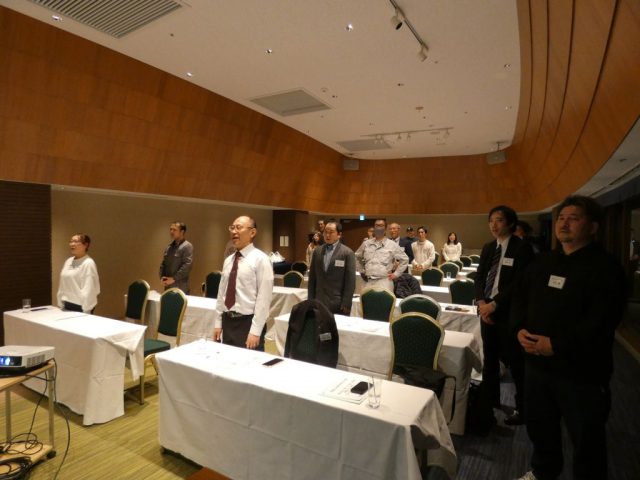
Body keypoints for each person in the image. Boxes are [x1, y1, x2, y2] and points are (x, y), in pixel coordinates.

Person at [514, 196, 626, 480]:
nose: (564, 223)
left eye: (573, 218)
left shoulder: (606, 268)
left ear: (593, 227)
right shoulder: (544, 261)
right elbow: (521, 298)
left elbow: (603, 321)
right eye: (561, 218)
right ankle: (543, 472)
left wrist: (556, 345)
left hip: (581, 371)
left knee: (586, 438)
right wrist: (519, 328)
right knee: (540, 428)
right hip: (537, 366)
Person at [474, 205, 534, 426]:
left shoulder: (522, 248)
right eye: (491, 220)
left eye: (499, 220)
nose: (493, 225)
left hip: (509, 313)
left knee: (516, 363)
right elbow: (479, 277)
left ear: (510, 223)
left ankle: (523, 408)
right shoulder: (489, 247)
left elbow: (519, 283)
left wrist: (495, 304)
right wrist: (482, 303)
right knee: (489, 360)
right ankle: (491, 402)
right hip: (487, 311)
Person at [214, 216, 273, 350]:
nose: (234, 231)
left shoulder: (261, 259)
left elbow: (264, 298)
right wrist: (218, 322)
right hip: (228, 320)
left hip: (247, 323)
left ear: (252, 232)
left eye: (239, 227)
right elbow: (221, 294)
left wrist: (255, 331)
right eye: (232, 228)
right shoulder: (228, 260)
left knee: (249, 362)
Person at [307, 221, 356, 314]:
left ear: (339, 235)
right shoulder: (317, 251)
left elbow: (350, 281)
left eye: (331, 232)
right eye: (325, 232)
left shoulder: (347, 253)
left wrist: (346, 303)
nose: (327, 235)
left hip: (338, 303)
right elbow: (312, 278)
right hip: (318, 301)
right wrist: (310, 300)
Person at [355, 219, 408, 291]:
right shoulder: (366, 243)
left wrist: (396, 274)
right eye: (376, 225)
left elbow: (405, 259)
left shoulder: (392, 245)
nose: (378, 228)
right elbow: (356, 256)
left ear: (385, 229)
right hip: (367, 281)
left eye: (381, 226)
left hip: (384, 282)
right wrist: (361, 271)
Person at [57, 233, 100, 313]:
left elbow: (90, 288)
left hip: (81, 306)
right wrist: (60, 301)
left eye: (76, 241)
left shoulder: (88, 263)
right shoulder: (68, 261)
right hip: (66, 303)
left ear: (85, 245)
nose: (72, 244)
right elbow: (62, 284)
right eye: (71, 241)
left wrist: (86, 309)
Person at [159, 221, 193, 294]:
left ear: (182, 232)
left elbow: (187, 266)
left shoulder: (187, 246)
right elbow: (163, 264)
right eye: (170, 229)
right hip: (168, 286)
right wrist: (162, 277)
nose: (171, 232)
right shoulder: (169, 247)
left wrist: (174, 279)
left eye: (174, 230)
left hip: (180, 287)